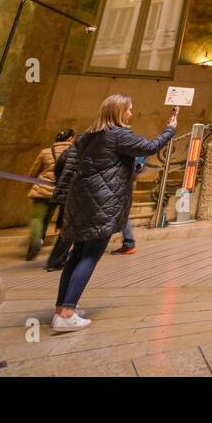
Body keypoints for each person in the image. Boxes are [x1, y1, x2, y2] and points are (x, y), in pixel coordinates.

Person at [53, 95, 176, 331]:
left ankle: (62, 308)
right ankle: (67, 313)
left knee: (76, 254)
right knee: (90, 256)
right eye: (129, 110)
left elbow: (67, 163)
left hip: (81, 201)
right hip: (104, 202)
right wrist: (170, 129)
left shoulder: (86, 137)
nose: (131, 113)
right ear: (118, 112)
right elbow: (150, 147)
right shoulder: (118, 134)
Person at [25, 129, 72, 261]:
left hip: (41, 188)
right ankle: (40, 240)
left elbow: (34, 170)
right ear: (70, 139)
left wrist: (29, 183)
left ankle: (35, 241)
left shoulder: (45, 152)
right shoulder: (73, 152)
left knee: (37, 217)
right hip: (59, 190)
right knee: (47, 217)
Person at [45, 134, 79, 271]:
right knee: (71, 227)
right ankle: (57, 260)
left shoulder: (74, 147)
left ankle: (57, 259)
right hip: (78, 193)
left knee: (68, 227)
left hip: (67, 191)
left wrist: (62, 182)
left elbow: (59, 165)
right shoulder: (93, 147)